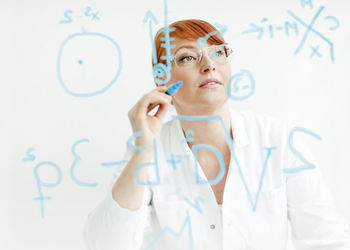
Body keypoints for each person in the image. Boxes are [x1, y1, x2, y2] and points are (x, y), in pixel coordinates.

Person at [83, 19, 350, 250]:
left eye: (218, 52)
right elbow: (108, 244)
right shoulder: (148, 150)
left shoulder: (279, 139)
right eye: (188, 57)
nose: (209, 64)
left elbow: (326, 242)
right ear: (162, 80)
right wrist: (143, 151)